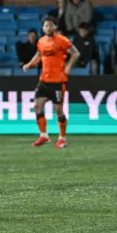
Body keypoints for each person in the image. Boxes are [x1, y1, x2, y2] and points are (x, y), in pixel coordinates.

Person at [23, 17, 80, 149]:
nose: (48, 28)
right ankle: (44, 135)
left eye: (50, 25)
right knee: (37, 107)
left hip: (58, 81)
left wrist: (69, 66)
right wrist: (29, 64)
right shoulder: (41, 41)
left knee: (58, 110)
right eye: (46, 26)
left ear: (55, 27)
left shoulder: (62, 40)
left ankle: (62, 138)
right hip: (44, 80)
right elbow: (39, 55)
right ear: (43, 28)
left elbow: (75, 53)